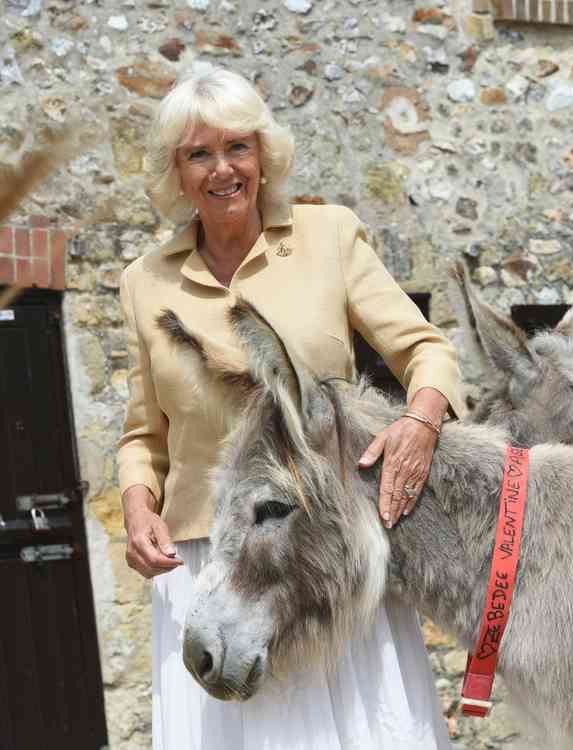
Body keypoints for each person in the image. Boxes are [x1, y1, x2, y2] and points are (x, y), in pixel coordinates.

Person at [118, 67, 464, 750]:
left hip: (322, 560)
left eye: (237, 148)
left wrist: (420, 422)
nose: (223, 169)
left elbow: (427, 351)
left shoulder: (329, 236)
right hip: (209, 563)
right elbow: (142, 433)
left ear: (263, 154)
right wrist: (135, 502)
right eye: (199, 153)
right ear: (176, 172)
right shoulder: (143, 282)